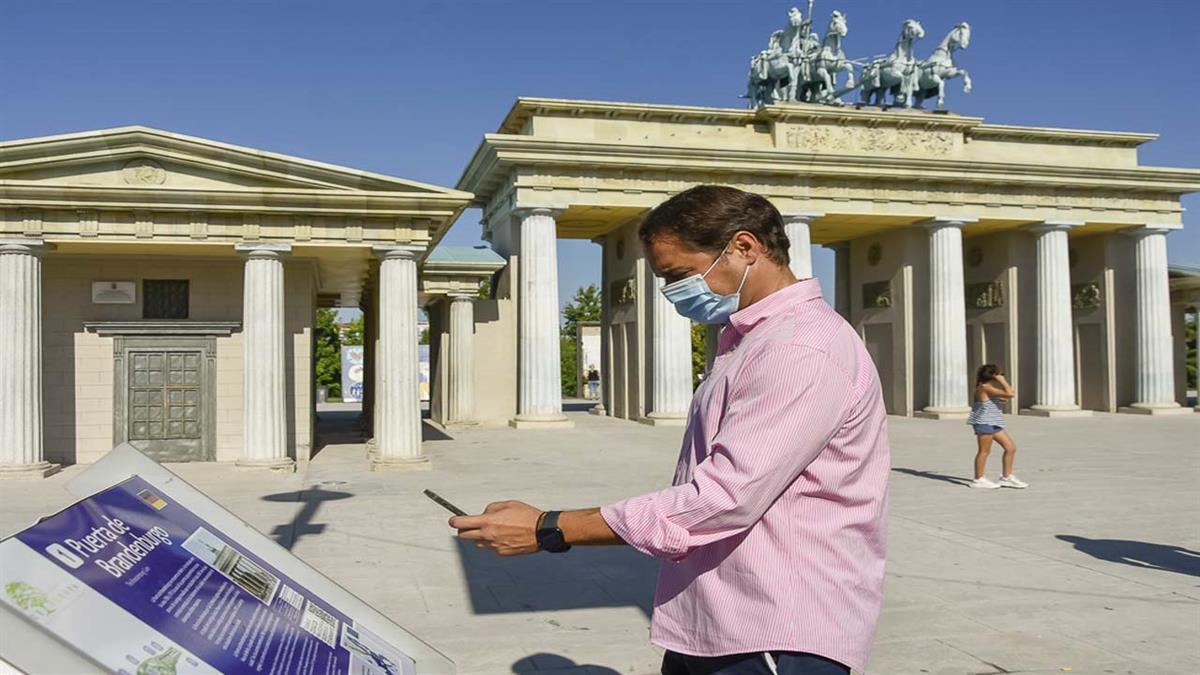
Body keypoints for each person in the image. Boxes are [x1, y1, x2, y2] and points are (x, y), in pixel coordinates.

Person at [450, 185, 890, 675]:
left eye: (679, 275)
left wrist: (550, 527)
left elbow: (722, 499)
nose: (673, 293)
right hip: (725, 617)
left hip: (773, 630)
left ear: (744, 247)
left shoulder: (798, 349)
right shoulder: (755, 339)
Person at [967, 364, 1028, 489]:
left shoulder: (990, 389)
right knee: (984, 451)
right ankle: (978, 479)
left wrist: (1003, 391)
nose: (1001, 376)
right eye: (1000, 374)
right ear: (993, 375)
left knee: (1010, 448)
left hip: (994, 422)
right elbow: (1010, 394)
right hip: (984, 423)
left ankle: (1006, 477)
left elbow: (1008, 395)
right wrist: (1002, 381)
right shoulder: (984, 388)